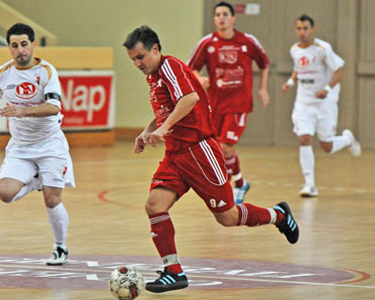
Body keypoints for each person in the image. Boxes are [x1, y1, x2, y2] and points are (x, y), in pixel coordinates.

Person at [123, 25, 299, 294]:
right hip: (175, 155)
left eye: (140, 57)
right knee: (154, 204)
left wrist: (163, 128)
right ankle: (174, 272)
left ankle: (279, 215)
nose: (137, 64)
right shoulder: (154, 75)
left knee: (227, 217)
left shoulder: (170, 67)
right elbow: (166, 107)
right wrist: (149, 130)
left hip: (198, 151)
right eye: (133, 59)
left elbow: (189, 98)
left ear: (155, 49)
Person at [0, 23, 74, 265]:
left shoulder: (46, 72)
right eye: (14, 45)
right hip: (21, 146)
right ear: (9, 48)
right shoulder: (1, 74)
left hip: (50, 144)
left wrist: (22, 111)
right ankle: (34, 182)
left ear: (33, 45)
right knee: (5, 194)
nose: (20, 50)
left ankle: (60, 247)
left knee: (52, 200)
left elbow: (54, 107)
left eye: (24, 44)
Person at [187, 1, 270, 204]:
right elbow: (190, 68)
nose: (221, 18)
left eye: (225, 14)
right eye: (217, 14)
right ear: (214, 19)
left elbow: (264, 63)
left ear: (233, 18)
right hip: (215, 104)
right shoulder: (208, 43)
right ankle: (241, 183)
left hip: (239, 103)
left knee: (226, 147)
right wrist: (201, 80)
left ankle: (229, 189)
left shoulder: (247, 41)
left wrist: (262, 88)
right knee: (221, 148)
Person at [282, 14, 361, 197]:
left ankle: (347, 139)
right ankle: (309, 185)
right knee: (304, 139)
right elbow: (297, 68)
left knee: (327, 146)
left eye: (305, 28)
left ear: (312, 29)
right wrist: (290, 82)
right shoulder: (294, 49)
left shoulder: (323, 49)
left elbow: (339, 72)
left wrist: (326, 88)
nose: (302, 32)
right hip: (303, 102)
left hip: (324, 103)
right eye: (299, 28)